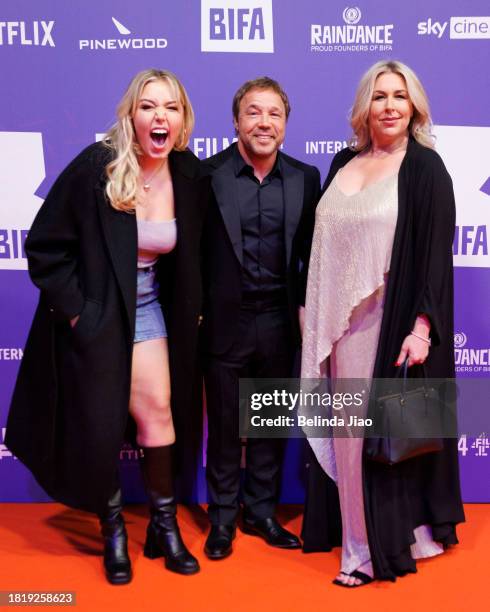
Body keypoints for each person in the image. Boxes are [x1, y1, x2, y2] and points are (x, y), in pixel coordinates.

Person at [6, 69, 210, 584]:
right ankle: (113, 530)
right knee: (99, 425)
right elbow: (46, 249)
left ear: (182, 119)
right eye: (148, 106)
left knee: (159, 410)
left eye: (170, 107)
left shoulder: (188, 175)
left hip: (147, 309)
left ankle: (165, 529)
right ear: (131, 116)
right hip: (98, 315)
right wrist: (80, 313)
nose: (159, 116)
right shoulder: (98, 167)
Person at [301, 60, 465, 586]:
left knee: (379, 439)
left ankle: (367, 553)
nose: (389, 105)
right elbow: (322, 246)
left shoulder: (425, 169)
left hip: (391, 326)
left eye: (399, 96)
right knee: (350, 437)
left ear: (414, 105)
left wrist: (422, 328)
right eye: (379, 96)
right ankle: (373, 535)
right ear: (364, 108)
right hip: (340, 329)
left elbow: (436, 256)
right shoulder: (342, 162)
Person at [200, 77, 321, 559]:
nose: (264, 122)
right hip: (223, 322)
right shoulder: (205, 176)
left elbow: (313, 255)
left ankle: (262, 512)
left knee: (269, 422)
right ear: (236, 121)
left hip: (278, 321)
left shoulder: (305, 178)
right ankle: (223, 519)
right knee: (226, 425)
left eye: (274, 114)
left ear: (286, 125)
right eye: (253, 112)